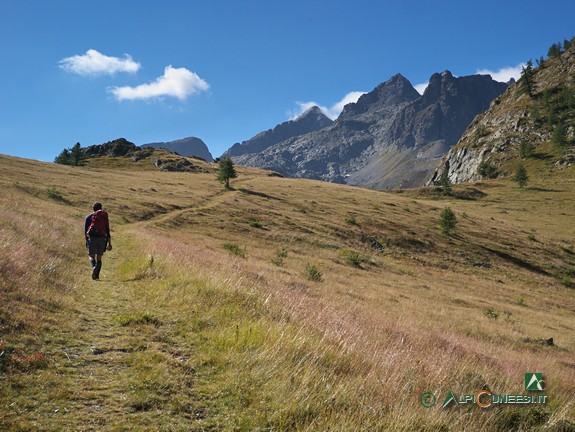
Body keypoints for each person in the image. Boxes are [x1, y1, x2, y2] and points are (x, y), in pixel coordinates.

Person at [84, 202, 112, 280]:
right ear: (101, 208)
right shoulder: (104, 217)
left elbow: (86, 231)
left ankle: (93, 268)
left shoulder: (89, 217)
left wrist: (87, 241)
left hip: (92, 238)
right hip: (102, 238)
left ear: (93, 208)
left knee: (91, 256)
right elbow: (107, 230)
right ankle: (97, 276)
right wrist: (109, 243)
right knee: (99, 257)